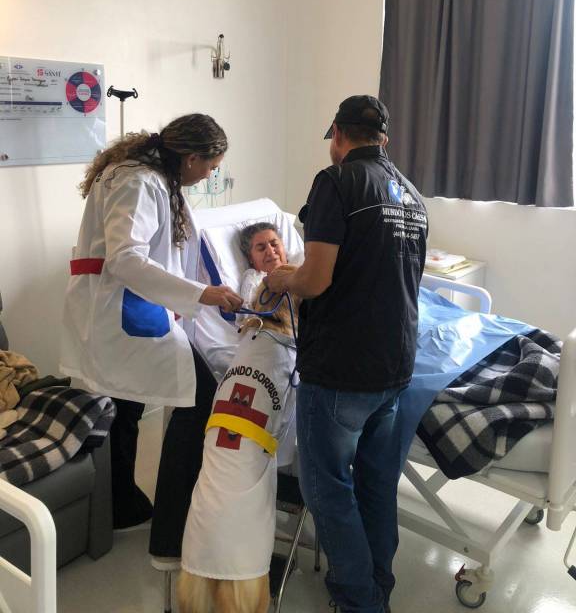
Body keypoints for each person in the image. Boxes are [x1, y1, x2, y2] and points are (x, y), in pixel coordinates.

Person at [266, 95, 428, 613]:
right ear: (384, 138)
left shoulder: (335, 182)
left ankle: (359, 600)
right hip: (396, 362)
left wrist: (282, 279)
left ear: (337, 134)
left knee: (326, 487)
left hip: (342, 368)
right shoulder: (412, 195)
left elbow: (316, 280)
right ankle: (378, 586)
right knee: (377, 485)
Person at [61, 114, 243, 533]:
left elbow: (163, 253)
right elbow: (126, 259)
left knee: (125, 408)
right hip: (118, 310)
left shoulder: (150, 177)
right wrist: (201, 294)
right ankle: (167, 512)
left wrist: (197, 288)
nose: (210, 175)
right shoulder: (138, 180)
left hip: (131, 307)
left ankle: (119, 504)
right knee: (191, 396)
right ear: (192, 158)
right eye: (212, 166)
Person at [238, 222, 288, 307]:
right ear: (250, 258)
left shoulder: (304, 262)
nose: (270, 251)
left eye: (274, 244)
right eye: (261, 248)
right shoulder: (253, 284)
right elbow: (250, 314)